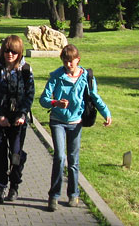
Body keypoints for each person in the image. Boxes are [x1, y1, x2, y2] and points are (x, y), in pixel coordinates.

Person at [39, 44, 112, 211]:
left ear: (78, 60)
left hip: (76, 122)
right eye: (65, 61)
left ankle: (73, 194)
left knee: (73, 160)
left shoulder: (86, 77)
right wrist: (55, 103)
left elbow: (94, 97)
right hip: (57, 120)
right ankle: (54, 196)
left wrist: (106, 113)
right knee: (59, 157)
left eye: (71, 61)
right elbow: (43, 99)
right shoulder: (56, 76)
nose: (68, 65)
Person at [0, 35, 34, 204]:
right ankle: (0, 186)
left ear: (19, 53)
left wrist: (22, 114)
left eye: (14, 52)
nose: (10, 54)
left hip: (18, 119)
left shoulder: (25, 70)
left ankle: (14, 185)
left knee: (16, 154)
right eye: (7, 51)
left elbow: (29, 95)